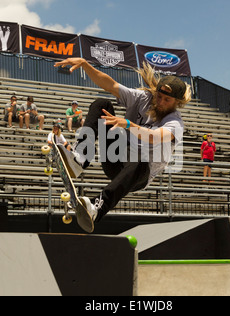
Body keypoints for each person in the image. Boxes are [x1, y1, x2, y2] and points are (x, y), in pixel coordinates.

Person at [54, 58, 191, 230]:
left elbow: (154, 137)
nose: (160, 102)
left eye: (167, 100)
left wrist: (128, 124)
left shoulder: (175, 123)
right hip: (115, 158)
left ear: (176, 103)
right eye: (159, 96)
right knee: (102, 104)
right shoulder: (143, 98)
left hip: (137, 175)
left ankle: (97, 208)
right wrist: (84, 64)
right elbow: (110, 85)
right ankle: (80, 158)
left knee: (140, 160)